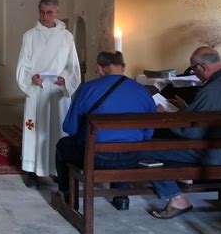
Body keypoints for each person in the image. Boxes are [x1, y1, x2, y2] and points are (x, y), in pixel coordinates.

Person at [56, 51, 157, 210]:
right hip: (132, 158)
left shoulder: (88, 89)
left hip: (96, 158)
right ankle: (121, 196)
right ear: (123, 67)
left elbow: (70, 128)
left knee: (63, 145)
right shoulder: (143, 91)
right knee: (125, 144)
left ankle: (67, 194)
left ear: (100, 69)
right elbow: (148, 133)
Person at [144, 46, 221, 219]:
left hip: (214, 153)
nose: (195, 74)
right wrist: (186, 110)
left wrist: (163, 116)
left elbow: (189, 133)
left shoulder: (212, 91)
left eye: (194, 69)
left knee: (143, 150)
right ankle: (182, 182)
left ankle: (177, 198)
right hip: (219, 147)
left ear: (202, 67)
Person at [16, 0, 81, 185]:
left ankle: (56, 168)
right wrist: (31, 78)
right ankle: (32, 171)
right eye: (42, 12)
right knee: (35, 130)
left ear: (57, 13)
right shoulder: (29, 36)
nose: (45, 17)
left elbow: (73, 66)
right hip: (37, 90)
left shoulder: (66, 37)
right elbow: (23, 65)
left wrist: (65, 80)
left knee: (55, 131)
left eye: (49, 12)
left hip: (57, 92)